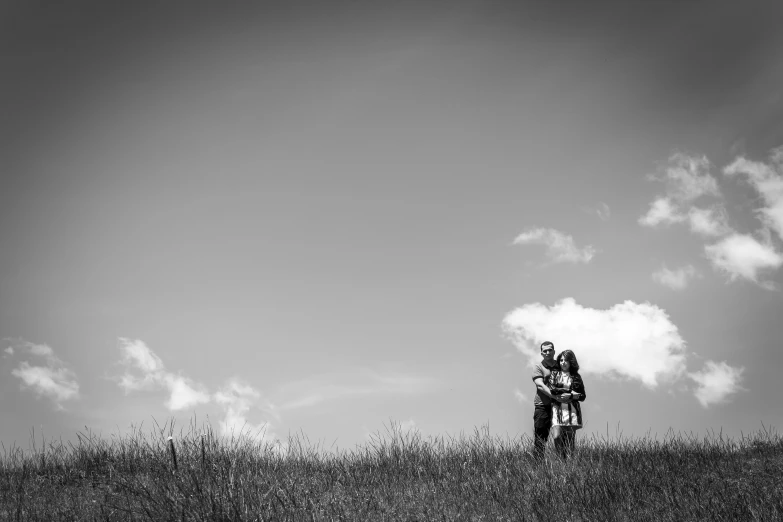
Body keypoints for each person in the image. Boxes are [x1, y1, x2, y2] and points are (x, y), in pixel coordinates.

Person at [531, 341, 567, 459]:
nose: (547, 352)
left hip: (560, 405)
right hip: (542, 405)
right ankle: (538, 465)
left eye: (550, 350)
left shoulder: (561, 365)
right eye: (545, 351)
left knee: (562, 436)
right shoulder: (538, 367)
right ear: (541, 353)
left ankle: (564, 463)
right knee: (540, 438)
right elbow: (540, 385)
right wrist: (553, 395)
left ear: (554, 351)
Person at [548, 350, 586, 459]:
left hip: (572, 410)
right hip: (557, 409)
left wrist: (573, 396)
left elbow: (583, 396)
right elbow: (552, 389)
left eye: (566, 360)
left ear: (571, 362)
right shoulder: (555, 374)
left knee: (570, 440)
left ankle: (569, 463)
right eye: (561, 360)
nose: (563, 363)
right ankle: (560, 459)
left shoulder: (576, 377)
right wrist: (569, 392)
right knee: (557, 436)